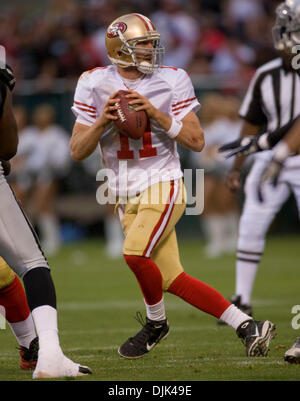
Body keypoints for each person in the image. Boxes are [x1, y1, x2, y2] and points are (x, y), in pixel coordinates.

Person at [70, 13, 275, 360]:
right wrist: (102, 121)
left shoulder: (172, 80)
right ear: (121, 49)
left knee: (134, 254)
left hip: (163, 182)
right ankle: (247, 326)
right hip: (121, 190)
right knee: (171, 277)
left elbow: (196, 140)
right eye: (144, 44)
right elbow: (77, 150)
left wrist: (155, 113)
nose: (152, 49)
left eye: (152, 42)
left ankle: (156, 323)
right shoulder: (93, 82)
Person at [218, 0, 300, 362]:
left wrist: (269, 146)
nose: (288, 39)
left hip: (285, 153)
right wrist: (240, 165)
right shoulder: (267, 75)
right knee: (251, 221)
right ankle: (242, 297)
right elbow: (251, 124)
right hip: (275, 155)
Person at [0, 63, 91, 378]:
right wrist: (6, 92)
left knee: (2, 273)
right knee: (32, 263)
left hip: (39, 176)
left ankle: (31, 346)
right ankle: (49, 353)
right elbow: (8, 148)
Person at [10, 103, 71, 256]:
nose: (41, 118)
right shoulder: (31, 134)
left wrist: (53, 165)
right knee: (20, 204)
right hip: (26, 175)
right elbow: (20, 157)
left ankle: (52, 240)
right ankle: (26, 240)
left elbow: (63, 158)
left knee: (43, 204)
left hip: (49, 174)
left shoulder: (57, 134)